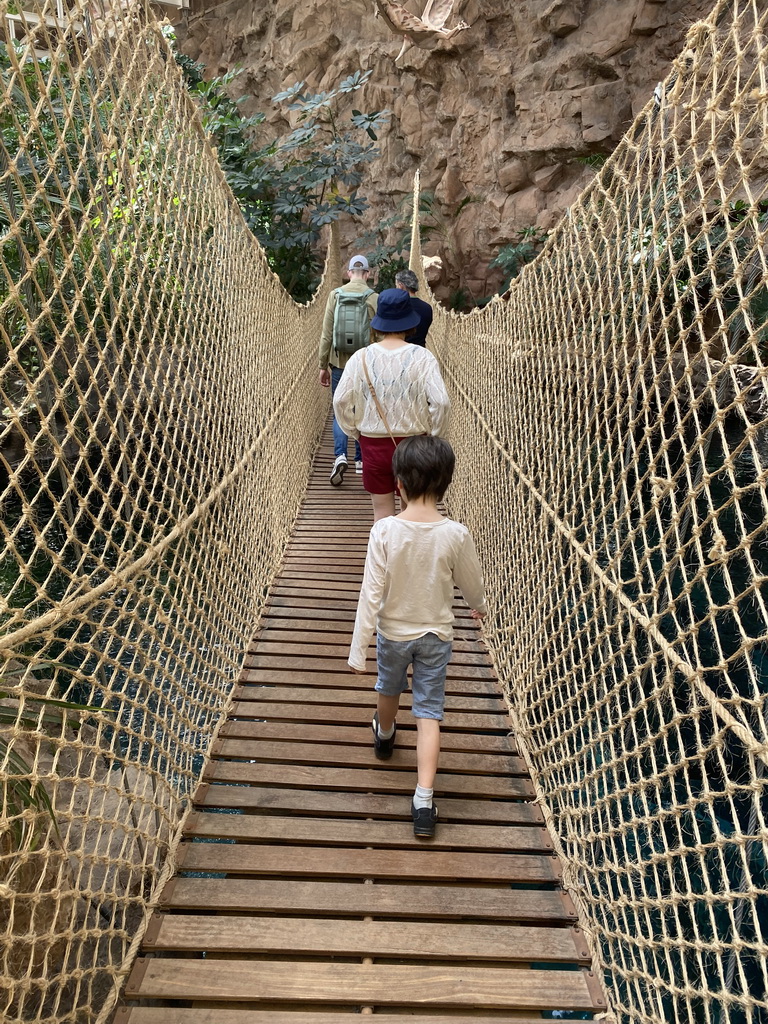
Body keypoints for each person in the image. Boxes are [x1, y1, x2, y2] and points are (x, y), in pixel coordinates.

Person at [347, 435, 487, 838]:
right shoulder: (456, 533)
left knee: (388, 688)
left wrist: (359, 650)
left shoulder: (385, 531)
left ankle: (386, 735)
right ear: (445, 484)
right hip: (436, 636)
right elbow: (471, 583)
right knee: (429, 712)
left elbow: (370, 592)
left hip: (393, 633)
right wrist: (480, 605)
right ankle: (423, 801)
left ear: (398, 486)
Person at [332, 288, 450, 522]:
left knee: (382, 516)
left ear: (377, 323)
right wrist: (433, 435)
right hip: (415, 446)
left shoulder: (360, 358)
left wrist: (355, 431)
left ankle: (381, 559)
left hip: (373, 445)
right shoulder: (423, 357)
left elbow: (340, 400)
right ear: (410, 323)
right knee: (411, 516)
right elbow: (441, 402)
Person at [319, 254, 378, 486]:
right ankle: (361, 461)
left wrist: (322, 366)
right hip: (365, 365)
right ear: (368, 274)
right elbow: (382, 334)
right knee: (362, 410)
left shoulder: (335, 295)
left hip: (339, 364)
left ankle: (339, 455)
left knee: (340, 410)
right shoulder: (374, 297)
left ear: (348, 273)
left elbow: (326, 334)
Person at [395, 268, 432, 347]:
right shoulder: (427, 308)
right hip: (420, 352)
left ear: (400, 286)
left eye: (396, 286)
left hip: (400, 352)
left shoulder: (396, 307)